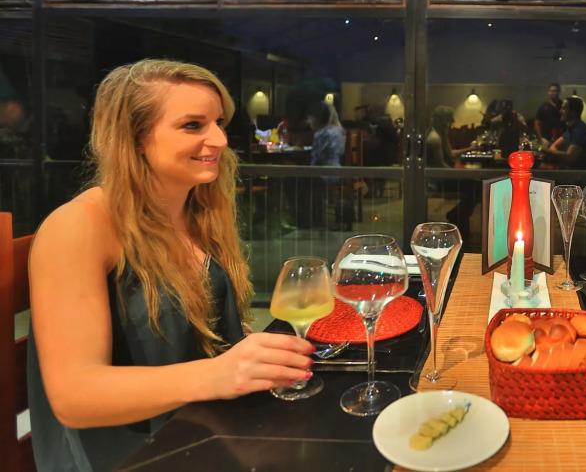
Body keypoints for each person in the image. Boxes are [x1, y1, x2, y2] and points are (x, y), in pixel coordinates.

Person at [27, 60, 315, 472]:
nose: (219, 140)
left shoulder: (198, 212)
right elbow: (74, 397)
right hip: (131, 456)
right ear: (133, 138)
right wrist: (220, 373)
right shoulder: (78, 226)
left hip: (201, 429)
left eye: (219, 123)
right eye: (192, 125)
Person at [424, 106, 477, 235]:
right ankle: (457, 216)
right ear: (444, 120)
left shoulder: (439, 134)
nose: (452, 121)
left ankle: (458, 216)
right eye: (450, 119)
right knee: (475, 187)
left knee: (474, 186)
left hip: (440, 176)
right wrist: (459, 174)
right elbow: (440, 167)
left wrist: (470, 149)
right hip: (436, 180)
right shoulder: (434, 138)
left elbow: (450, 154)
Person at [309, 101, 351, 231]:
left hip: (325, 173)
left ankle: (312, 219)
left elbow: (316, 158)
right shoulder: (339, 130)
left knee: (299, 180)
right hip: (339, 170)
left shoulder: (321, 134)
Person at [544, 96, 586, 168]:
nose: (560, 111)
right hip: (568, 170)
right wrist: (551, 151)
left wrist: (546, 151)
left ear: (573, 112)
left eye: (564, 108)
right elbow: (553, 146)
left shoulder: (580, 130)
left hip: (578, 173)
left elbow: (570, 157)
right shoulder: (571, 129)